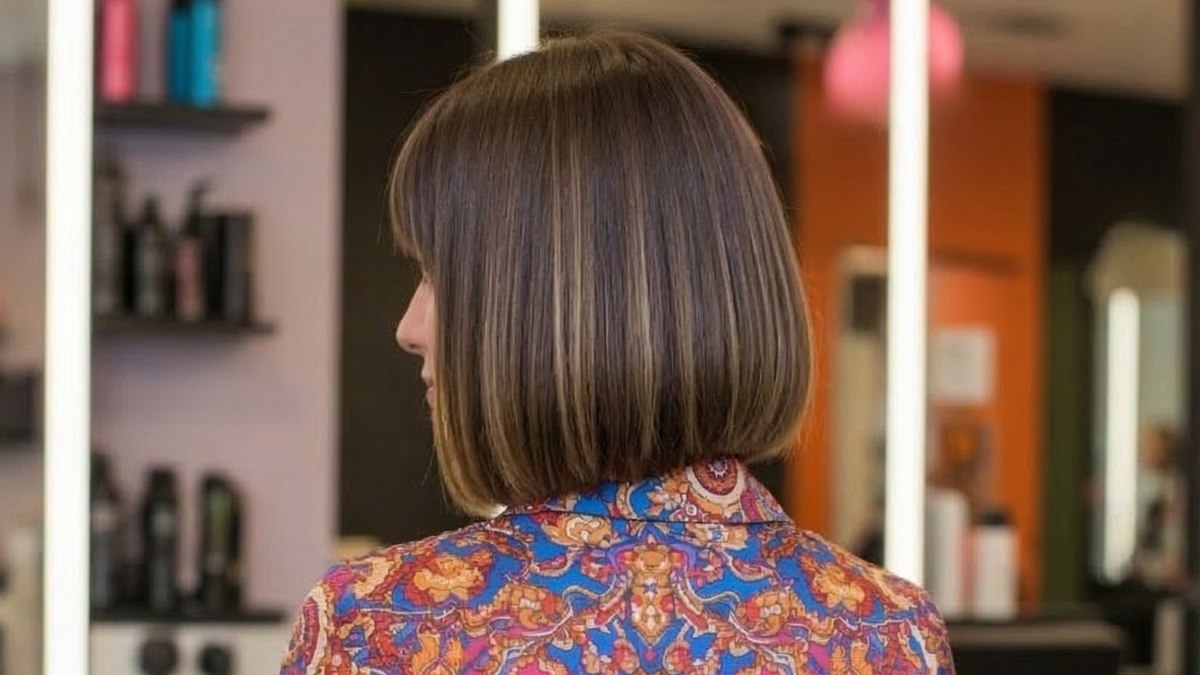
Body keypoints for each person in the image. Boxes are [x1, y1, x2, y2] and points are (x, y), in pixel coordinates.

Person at [281, 30, 953, 674]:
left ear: (545, 300)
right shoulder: (888, 632)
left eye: (437, 273)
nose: (409, 326)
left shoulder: (382, 628)